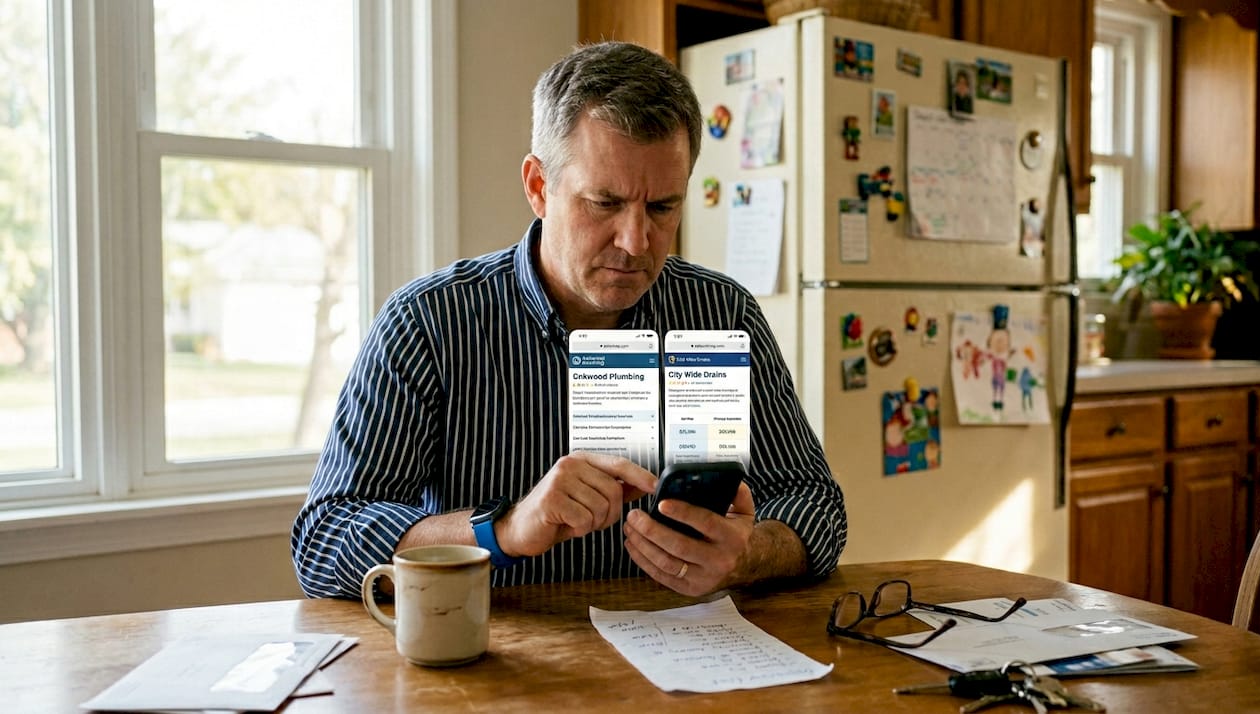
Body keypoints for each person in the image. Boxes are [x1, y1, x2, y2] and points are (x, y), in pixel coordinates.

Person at [291, 41, 847, 600]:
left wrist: (746, 555)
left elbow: (816, 505)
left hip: (689, 659)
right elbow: (322, 539)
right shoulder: (428, 323)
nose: (635, 243)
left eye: (662, 208)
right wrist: (501, 530)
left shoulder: (721, 315)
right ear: (538, 187)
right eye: (604, 203)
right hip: (500, 665)